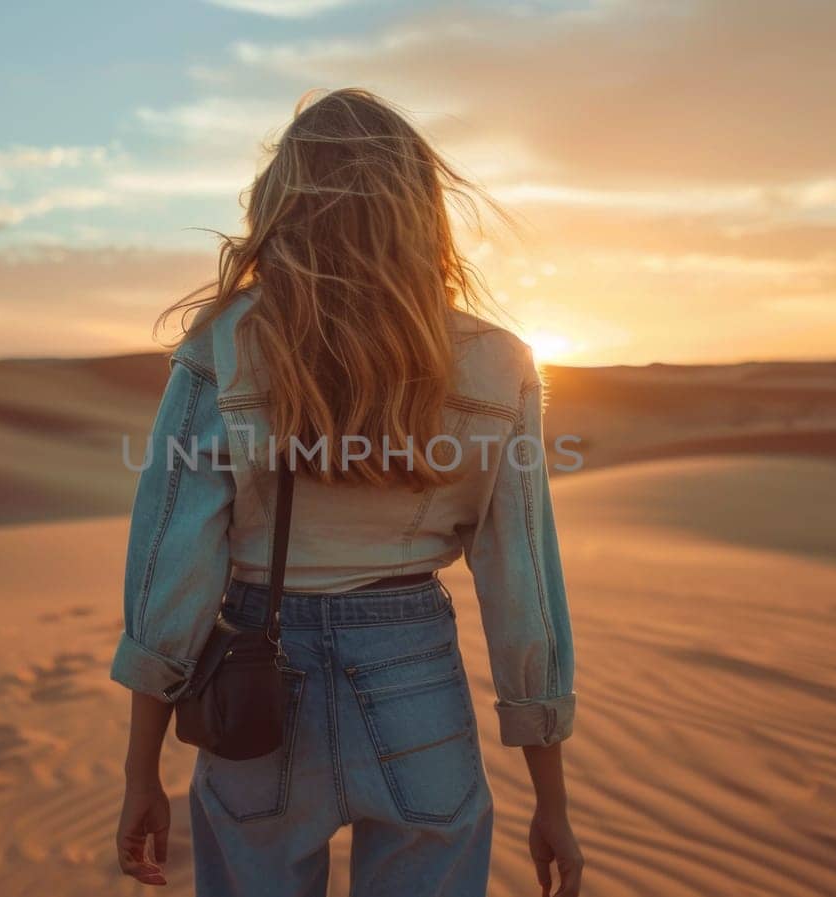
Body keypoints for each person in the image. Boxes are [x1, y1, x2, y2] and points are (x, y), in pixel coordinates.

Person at [108, 87, 581, 897]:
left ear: (282, 204)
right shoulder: (498, 364)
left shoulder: (224, 344)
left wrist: (141, 769)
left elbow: (171, 570)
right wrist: (552, 798)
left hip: (257, 679)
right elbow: (522, 589)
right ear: (421, 210)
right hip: (416, 679)